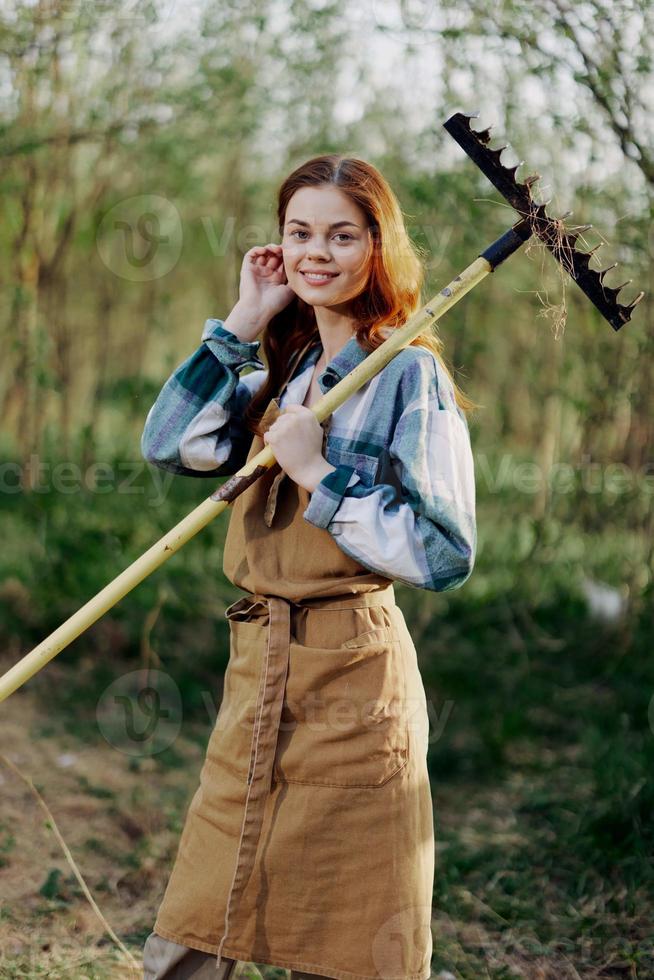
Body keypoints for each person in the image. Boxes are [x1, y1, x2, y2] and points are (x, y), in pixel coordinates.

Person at [140, 154, 477, 980]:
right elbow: (169, 444)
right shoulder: (282, 371)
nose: (316, 252)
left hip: (354, 682)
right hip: (259, 669)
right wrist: (244, 320)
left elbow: (443, 552)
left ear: (377, 248)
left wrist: (320, 475)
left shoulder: (406, 375)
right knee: (195, 925)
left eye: (341, 234)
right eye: (299, 233)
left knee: (348, 942)